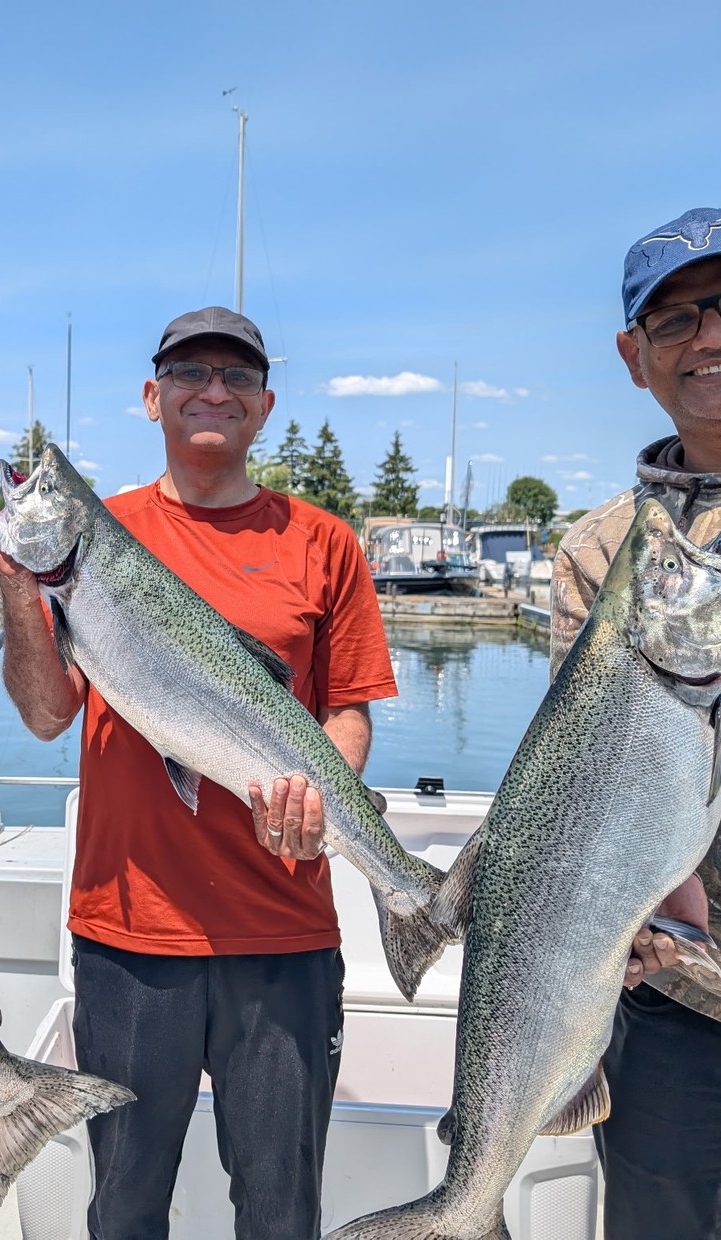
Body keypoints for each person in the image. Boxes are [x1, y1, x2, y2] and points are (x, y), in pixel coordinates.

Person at [0, 306, 398, 1240]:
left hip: (284, 929)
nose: (213, 390)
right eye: (188, 373)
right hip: (130, 934)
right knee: (124, 1205)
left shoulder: (324, 541)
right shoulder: (102, 536)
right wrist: (19, 581)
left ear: (265, 407)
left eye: (237, 377)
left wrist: (321, 801)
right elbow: (49, 714)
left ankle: (411, 893)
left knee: (281, 1209)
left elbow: (347, 709)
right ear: (151, 396)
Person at [550, 206, 721, 1240]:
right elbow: (581, 775)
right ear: (632, 356)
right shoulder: (597, 549)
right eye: (674, 320)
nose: (708, 337)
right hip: (677, 1001)